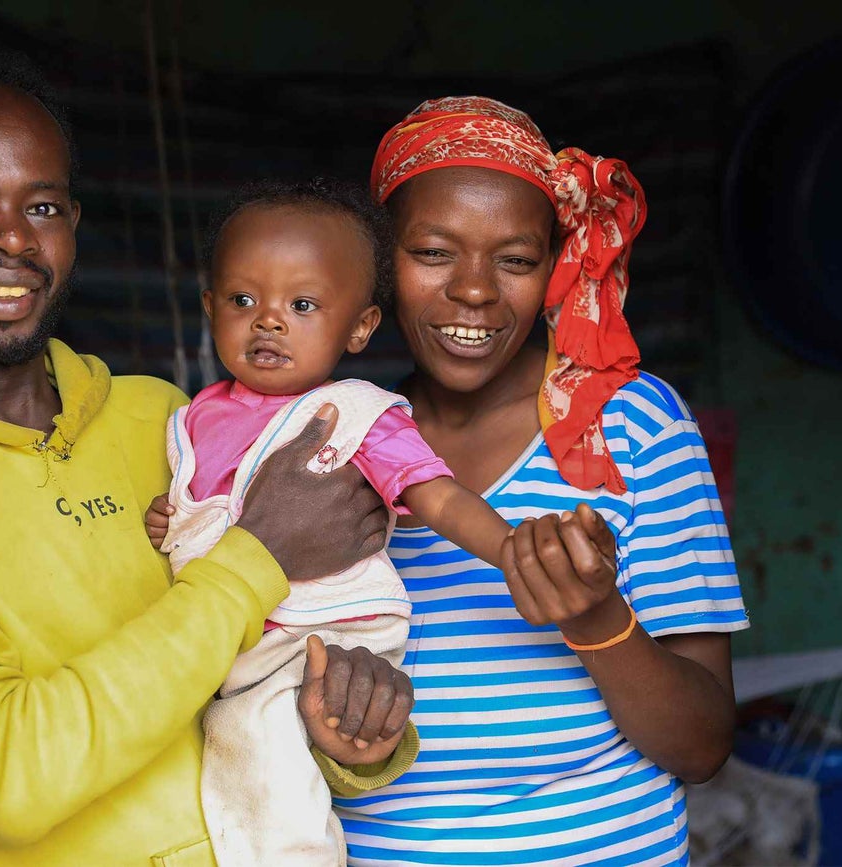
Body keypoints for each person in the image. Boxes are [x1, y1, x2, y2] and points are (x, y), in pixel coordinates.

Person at [0, 41, 419, 867]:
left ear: (73, 225)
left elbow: (241, 690)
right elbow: (2, 774)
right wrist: (256, 558)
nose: (11, 242)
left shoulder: (168, 419)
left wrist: (344, 736)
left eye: (41, 208)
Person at [330, 96, 750, 866]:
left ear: (555, 266)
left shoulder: (631, 428)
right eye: (433, 252)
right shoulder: (332, 442)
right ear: (380, 262)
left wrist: (597, 619)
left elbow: (701, 747)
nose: (476, 291)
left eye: (515, 259)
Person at [143, 178, 549, 866]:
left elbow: (436, 496)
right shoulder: (193, 417)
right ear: (210, 307)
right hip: (230, 639)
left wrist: (512, 550)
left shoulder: (357, 416)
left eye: (302, 305)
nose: (268, 320)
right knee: (219, 769)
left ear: (359, 327)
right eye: (244, 300)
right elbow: (207, 502)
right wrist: (174, 516)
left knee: (265, 768)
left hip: (322, 633)